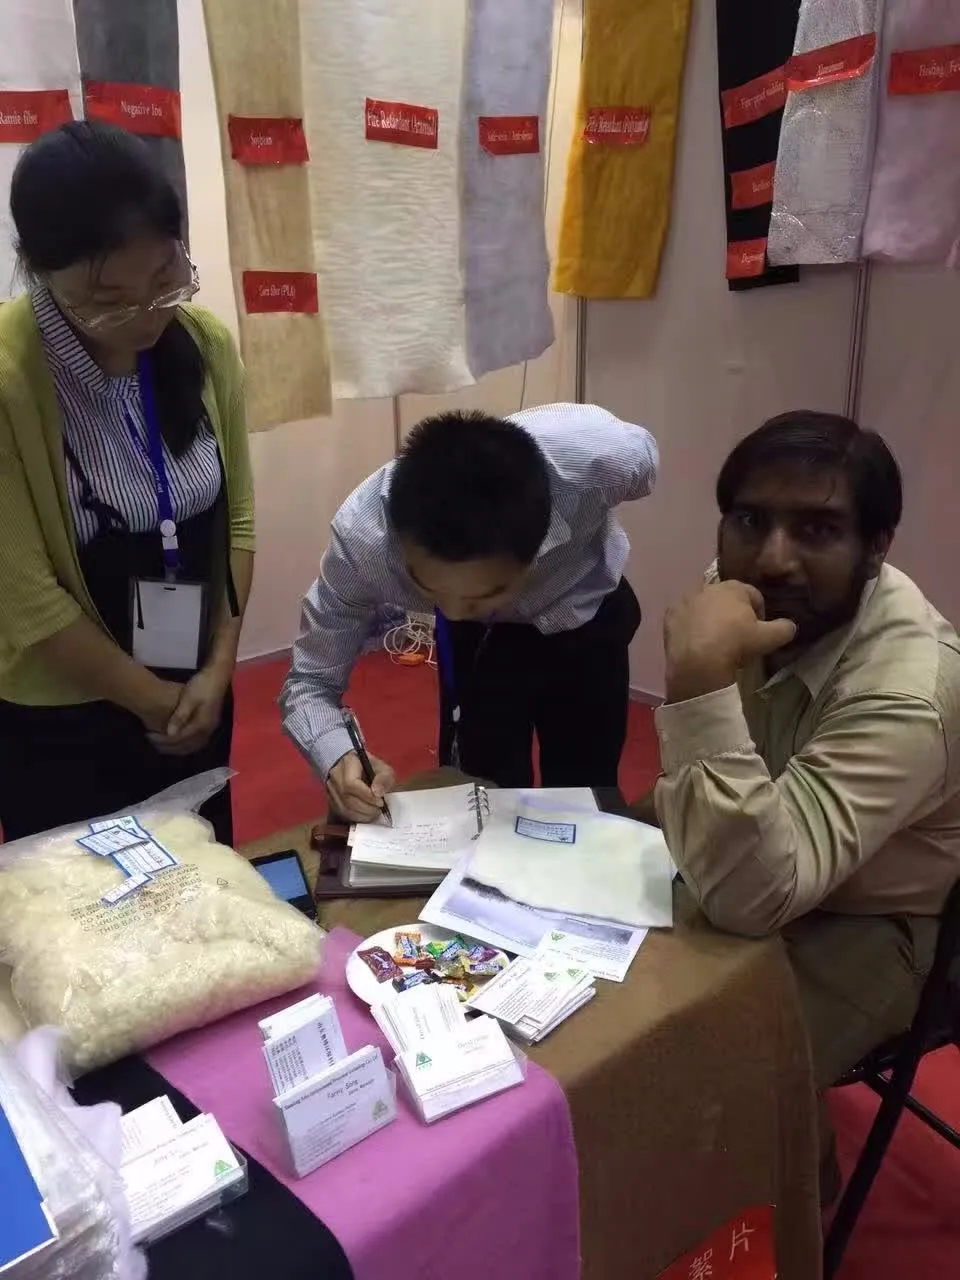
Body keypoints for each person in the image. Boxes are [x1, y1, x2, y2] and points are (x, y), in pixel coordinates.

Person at [639, 411, 960, 1139]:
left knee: (692, 1081)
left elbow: (751, 899)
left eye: (817, 530)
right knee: (571, 953)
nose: (771, 561)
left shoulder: (907, 692)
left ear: (876, 548)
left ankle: (795, 1184)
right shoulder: (741, 591)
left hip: (875, 912)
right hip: (763, 827)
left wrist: (697, 680)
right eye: (750, 520)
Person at [0, 122, 255, 845]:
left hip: (197, 691)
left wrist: (217, 668)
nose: (148, 315)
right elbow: (24, 599)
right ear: (38, 271)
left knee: (210, 883)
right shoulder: (10, 380)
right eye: (108, 298)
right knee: (85, 901)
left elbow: (238, 521)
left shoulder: (204, 343)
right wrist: (152, 701)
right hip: (64, 716)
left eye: (166, 279)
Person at [282, 403, 657, 821]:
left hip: (586, 612)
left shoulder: (602, 461)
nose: (456, 610)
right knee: (481, 794)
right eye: (430, 589)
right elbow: (310, 680)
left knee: (585, 791)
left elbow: (654, 462)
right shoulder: (362, 546)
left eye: (488, 592)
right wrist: (337, 754)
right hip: (481, 644)